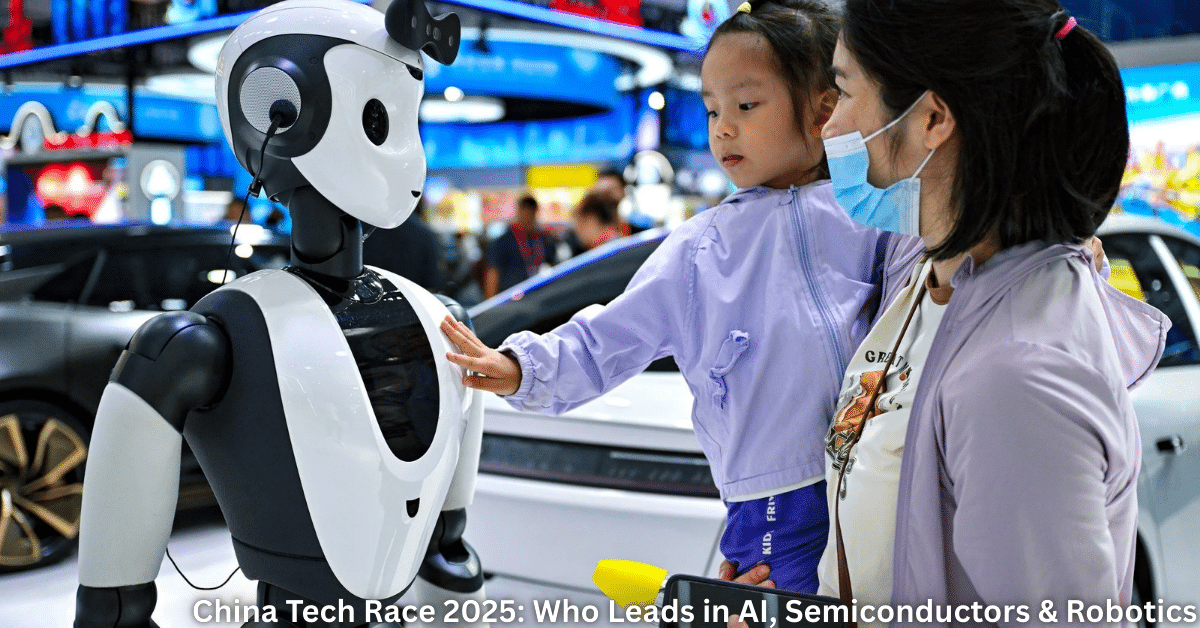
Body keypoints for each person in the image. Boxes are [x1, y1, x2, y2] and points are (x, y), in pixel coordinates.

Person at [439, 0, 920, 594]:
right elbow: (606, 339)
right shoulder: (699, 248)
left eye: (746, 105)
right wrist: (518, 369)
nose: (722, 128)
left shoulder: (873, 216)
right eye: (713, 108)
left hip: (881, 476)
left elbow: (918, 317)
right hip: (776, 501)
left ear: (825, 110)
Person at [808, 0, 1167, 620]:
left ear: (932, 119)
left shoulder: (1016, 375)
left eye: (843, 92)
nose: (827, 127)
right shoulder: (940, 278)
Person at [362, 198, 447, 292]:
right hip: (411, 302)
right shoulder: (424, 234)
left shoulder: (358, 230)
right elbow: (432, 286)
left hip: (365, 301)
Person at [484, 194, 559, 298]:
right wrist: (491, 304)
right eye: (524, 210)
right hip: (511, 298)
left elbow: (554, 267)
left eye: (531, 211)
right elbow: (493, 273)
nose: (527, 215)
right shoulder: (504, 241)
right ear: (519, 211)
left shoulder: (543, 239)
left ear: (536, 212)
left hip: (539, 297)